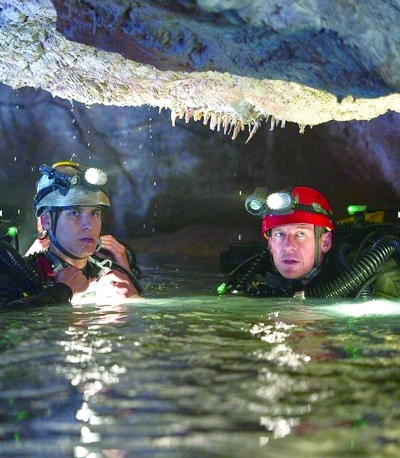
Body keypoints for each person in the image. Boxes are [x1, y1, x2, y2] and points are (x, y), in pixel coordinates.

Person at [0, 161, 143, 307]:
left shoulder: (111, 274)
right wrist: (62, 291)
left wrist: (134, 301)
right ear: (46, 221)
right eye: (75, 213)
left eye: (94, 213)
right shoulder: (14, 277)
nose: (88, 225)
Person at [219, 186, 400, 298]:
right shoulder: (249, 279)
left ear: (325, 242)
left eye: (300, 234)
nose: (288, 245)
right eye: (280, 234)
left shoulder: (379, 279)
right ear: (270, 244)